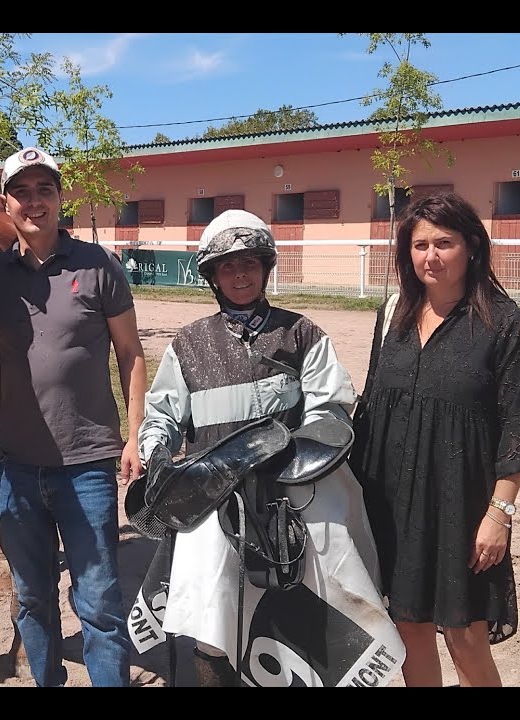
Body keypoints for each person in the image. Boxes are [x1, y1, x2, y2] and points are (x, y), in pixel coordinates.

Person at [133, 209, 399, 687]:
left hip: (292, 499)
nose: (240, 275)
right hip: (213, 505)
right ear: (212, 275)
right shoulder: (187, 344)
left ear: (266, 268)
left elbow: (332, 411)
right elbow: (162, 417)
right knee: (211, 626)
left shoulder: (303, 334)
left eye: (250, 263)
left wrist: (289, 452)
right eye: (228, 266)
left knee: (304, 616)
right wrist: (156, 457)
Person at [0, 147, 147, 687]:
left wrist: (134, 436)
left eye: (45, 190)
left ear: (60, 198)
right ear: (7, 202)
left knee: (99, 600)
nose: (34, 201)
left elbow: (131, 353)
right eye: (22, 191)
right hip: (17, 468)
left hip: (88, 467)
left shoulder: (98, 266)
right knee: (32, 599)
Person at [350, 191, 520, 687]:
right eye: (419, 245)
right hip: (389, 503)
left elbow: (518, 427)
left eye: (444, 243)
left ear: (472, 247)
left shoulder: (502, 322)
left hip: (463, 504)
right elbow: (369, 409)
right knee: (407, 629)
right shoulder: (390, 315)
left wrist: (500, 515)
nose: (430, 256)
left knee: (465, 638)